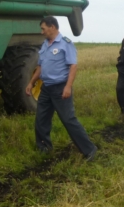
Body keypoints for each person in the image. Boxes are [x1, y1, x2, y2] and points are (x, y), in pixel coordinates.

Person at [25, 16, 97, 161]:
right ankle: (44, 148)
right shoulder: (45, 44)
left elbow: (73, 66)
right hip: (46, 88)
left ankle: (89, 150)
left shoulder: (65, 44)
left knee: (68, 119)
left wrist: (68, 87)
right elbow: (40, 66)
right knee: (41, 119)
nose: (41, 32)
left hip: (60, 88)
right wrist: (31, 82)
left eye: (43, 28)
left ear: (52, 27)